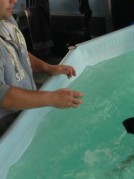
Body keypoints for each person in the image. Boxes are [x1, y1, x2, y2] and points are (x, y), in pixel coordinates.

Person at [0, 0, 84, 135]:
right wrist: (52, 98)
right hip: (6, 129)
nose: (14, 0)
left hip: (24, 112)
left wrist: (48, 68)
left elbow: (19, 53)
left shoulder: (7, 19)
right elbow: (1, 95)